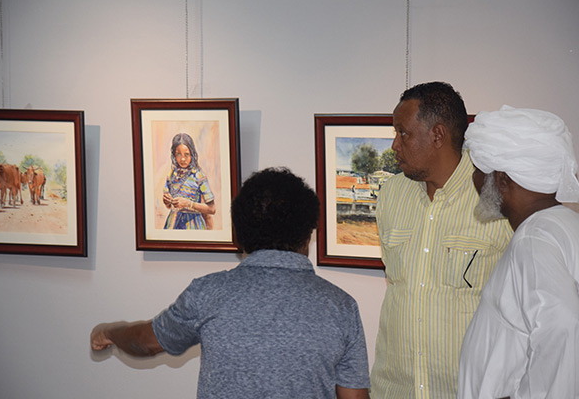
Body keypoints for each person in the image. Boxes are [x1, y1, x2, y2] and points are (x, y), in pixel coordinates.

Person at [91, 167, 371, 399]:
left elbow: (146, 342)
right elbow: (354, 396)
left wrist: (109, 331)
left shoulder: (207, 293)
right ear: (309, 234)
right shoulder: (341, 306)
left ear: (237, 235)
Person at [370, 82, 513, 399]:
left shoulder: (496, 197)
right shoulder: (391, 195)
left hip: (467, 390)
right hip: (395, 390)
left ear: (437, 135)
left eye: (403, 133)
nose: (394, 145)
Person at [458, 105, 579, 399]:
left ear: (502, 179)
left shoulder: (534, 238)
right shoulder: (570, 225)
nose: (474, 180)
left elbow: (563, 322)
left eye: (478, 171)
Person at [162, 133, 215, 229]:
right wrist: (167, 201)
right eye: (178, 154)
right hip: (173, 224)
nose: (183, 159)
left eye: (186, 154)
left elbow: (212, 209)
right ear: (174, 155)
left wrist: (189, 204)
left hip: (193, 225)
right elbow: (169, 206)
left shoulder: (198, 176)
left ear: (192, 154)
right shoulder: (172, 174)